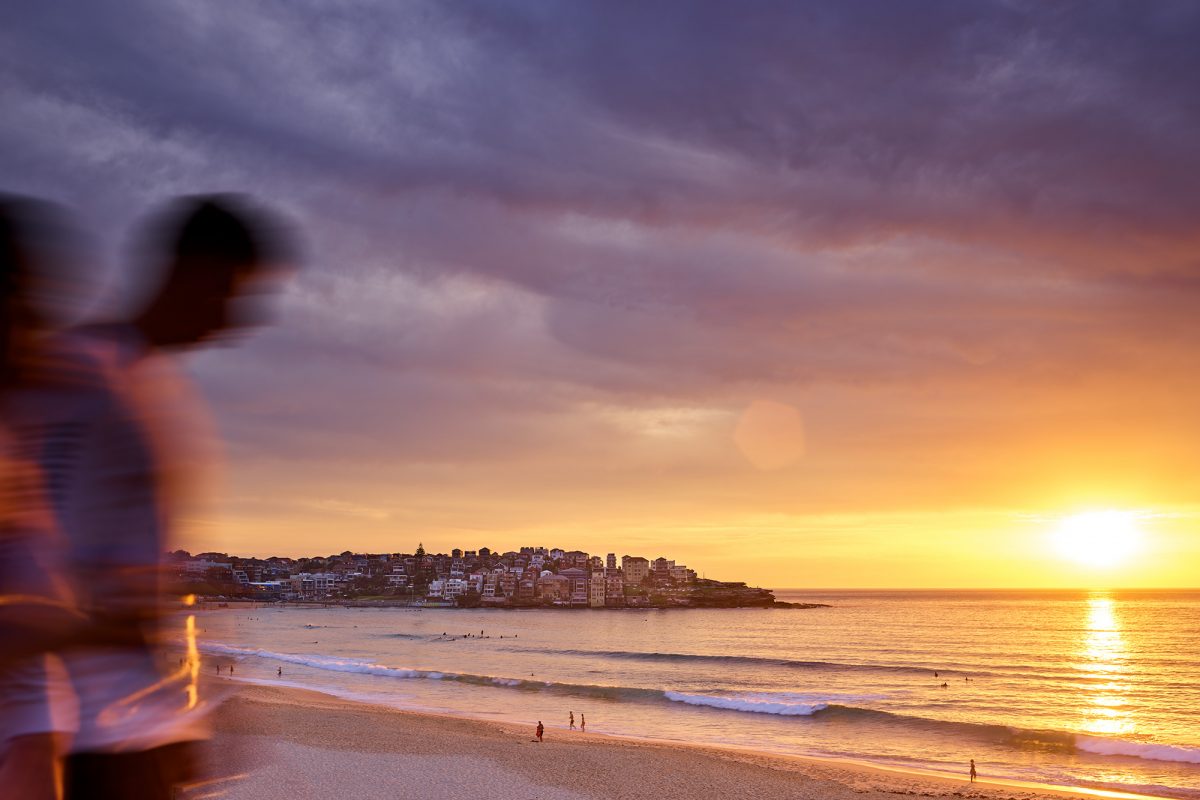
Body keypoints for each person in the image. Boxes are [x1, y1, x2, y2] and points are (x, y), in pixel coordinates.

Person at [49, 196, 293, 800]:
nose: (236, 319)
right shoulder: (85, 377)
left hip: (141, 723)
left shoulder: (152, 385)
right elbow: (54, 556)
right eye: (234, 292)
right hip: (95, 730)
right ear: (195, 272)